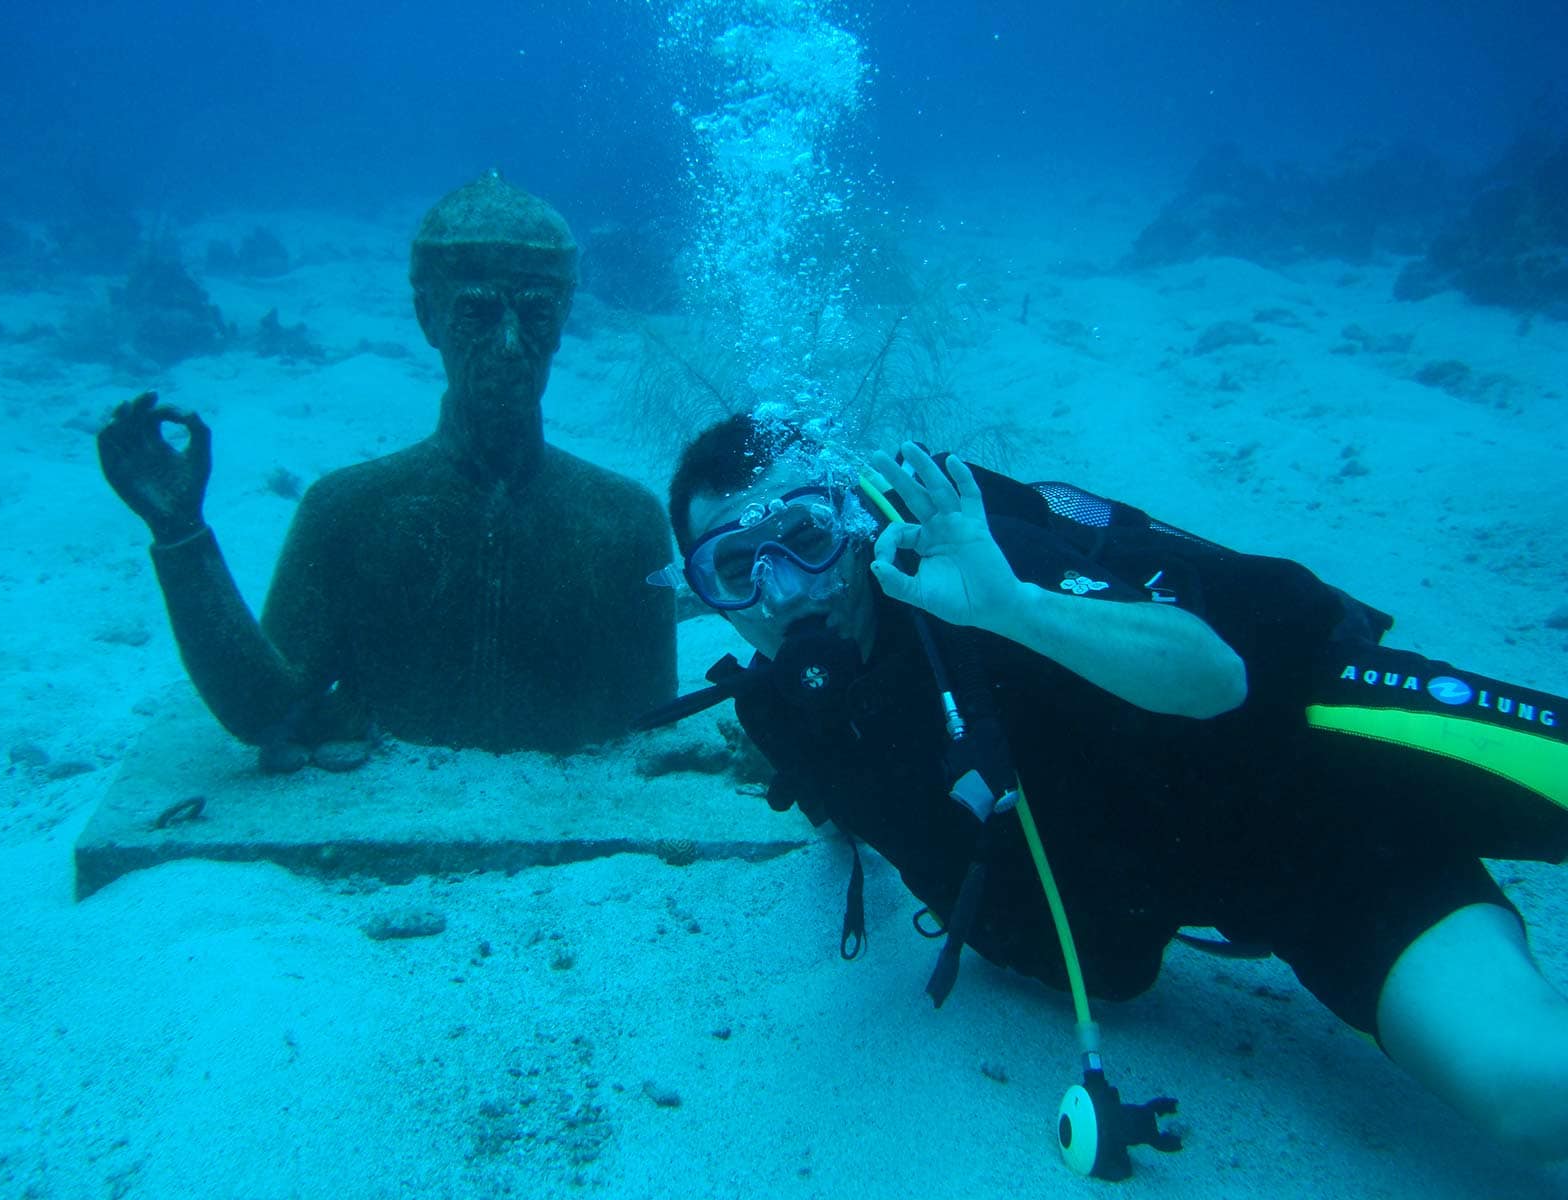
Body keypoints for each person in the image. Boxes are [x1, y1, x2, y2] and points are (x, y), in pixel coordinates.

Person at [652, 412, 1568, 1164]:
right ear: (709, 594)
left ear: (853, 530)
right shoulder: (784, 714)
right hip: (1314, 880)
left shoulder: (976, 563)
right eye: (736, 567)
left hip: (1321, 747)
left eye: (806, 538)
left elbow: (1213, 676)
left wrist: (1013, 608)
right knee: (1529, 1091)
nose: (783, 592)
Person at [98, 172, 676, 762]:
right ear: (427, 316)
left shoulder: (626, 522)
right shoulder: (346, 513)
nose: (509, 344)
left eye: (536, 313)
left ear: (564, 318)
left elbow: (653, 723)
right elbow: (266, 709)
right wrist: (181, 537)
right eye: (476, 312)